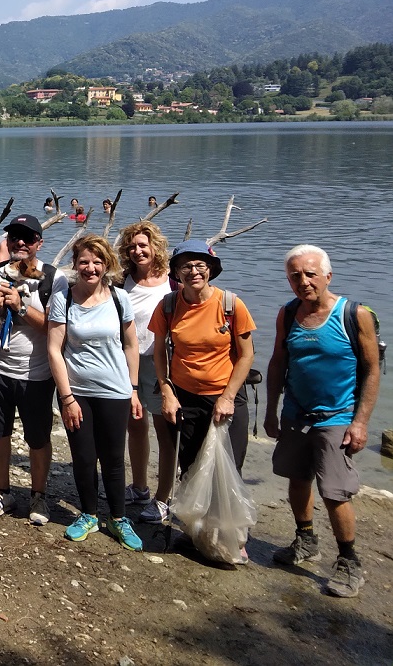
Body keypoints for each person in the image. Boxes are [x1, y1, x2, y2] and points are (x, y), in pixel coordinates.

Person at [264, 245, 380, 598]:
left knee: (334, 492)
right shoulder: (288, 313)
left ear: (328, 275)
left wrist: (360, 422)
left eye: (311, 273)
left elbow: (373, 370)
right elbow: (278, 362)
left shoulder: (354, 314)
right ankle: (305, 539)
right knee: (297, 480)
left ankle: (349, 562)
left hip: (338, 415)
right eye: (295, 275)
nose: (304, 281)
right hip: (297, 413)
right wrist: (271, 410)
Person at [47, 234, 143, 551]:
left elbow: (131, 345)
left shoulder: (119, 298)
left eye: (97, 261)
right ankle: (88, 514)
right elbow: (54, 349)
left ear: (107, 264)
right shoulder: (64, 298)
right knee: (84, 458)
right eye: (84, 262)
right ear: (75, 265)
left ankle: (118, 518)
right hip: (78, 393)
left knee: (114, 459)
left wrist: (133, 389)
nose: (91, 268)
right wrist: (67, 397)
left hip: (115, 391)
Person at [0, 214, 67, 526]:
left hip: (37, 374)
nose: (20, 242)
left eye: (28, 238)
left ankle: (39, 495)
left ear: (39, 243)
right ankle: (2, 490)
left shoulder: (52, 279)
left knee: (38, 437)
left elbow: (55, 329)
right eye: (14, 236)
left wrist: (19, 306)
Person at [149, 241, 256, 480]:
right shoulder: (168, 305)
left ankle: (223, 518)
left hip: (226, 396)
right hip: (185, 398)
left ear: (210, 269)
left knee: (228, 471)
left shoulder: (231, 305)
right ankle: (193, 517)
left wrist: (227, 398)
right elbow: (159, 352)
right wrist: (167, 393)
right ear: (176, 273)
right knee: (190, 469)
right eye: (186, 267)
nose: (194, 272)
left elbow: (247, 355)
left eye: (200, 265)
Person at [116, 222, 176, 524]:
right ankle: (139, 487)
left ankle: (164, 498)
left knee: (166, 431)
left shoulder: (172, 280)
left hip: (162, 363)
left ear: (156, 248)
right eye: (132, 246)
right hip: (128, 361)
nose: (137, 251)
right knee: (135, 425)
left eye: (143, 245)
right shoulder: (122, 280)